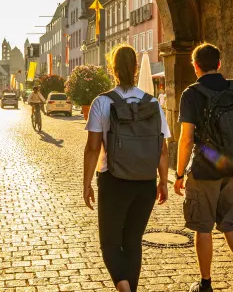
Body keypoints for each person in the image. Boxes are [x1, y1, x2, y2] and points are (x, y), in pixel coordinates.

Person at [174, 43, 233, 292]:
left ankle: (205, 284)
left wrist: (178, 173)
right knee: (232, 225)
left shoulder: (191, 94)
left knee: (203, 227)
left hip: (206, 169)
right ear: (219, 64)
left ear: (196, 66)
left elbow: (186, 139)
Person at [83, 44, 170, 292]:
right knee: (133, 242)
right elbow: (162, 149)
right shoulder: (152, 103)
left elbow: (92, 148)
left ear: (112, 68)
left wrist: (87, 183)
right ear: (134, 68)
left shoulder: (102, 102)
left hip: (113, 180)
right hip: (145, 182)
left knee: (110, 243)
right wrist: (163, 181)